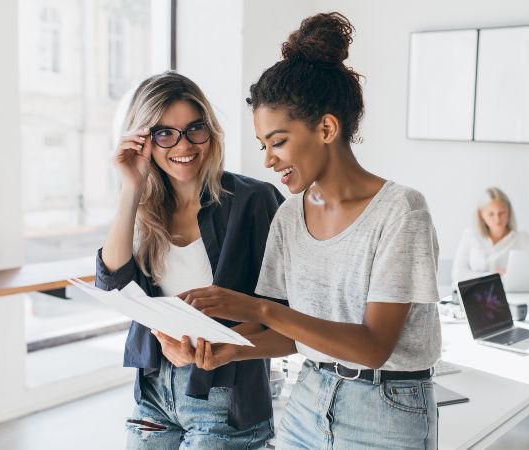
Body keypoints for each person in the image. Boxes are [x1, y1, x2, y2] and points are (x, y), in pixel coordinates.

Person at [178, 12, 442, 449]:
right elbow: (292, 336)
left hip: (388, 409)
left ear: (326, 127)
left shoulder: (401, 211)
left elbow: (373, 346)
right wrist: (230, 348)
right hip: (308, 402)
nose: (268, 160)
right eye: (263, 145)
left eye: (278, 142)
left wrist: (257, 309)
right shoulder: (288, 216)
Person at [94, 72, 284, 449]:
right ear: (144, 141)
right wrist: (130, 187)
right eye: (164, 133)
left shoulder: (254, 200)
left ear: (210, 132)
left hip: (223, 396)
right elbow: (114, 284)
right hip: (153, 394)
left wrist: (210, 347)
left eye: (194, 129)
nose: (183, 144)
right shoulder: (144, 208)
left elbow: (282, 311)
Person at [451, 187, 529, 283]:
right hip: (475, 294)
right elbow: (457, 274)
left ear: (509, 212)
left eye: (502, 213)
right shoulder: (470, 236)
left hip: (510, 295)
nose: (497, 219)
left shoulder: (522, 238)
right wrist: (491, 277)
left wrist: (510, 275)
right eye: (491, 214)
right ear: (482, 215)